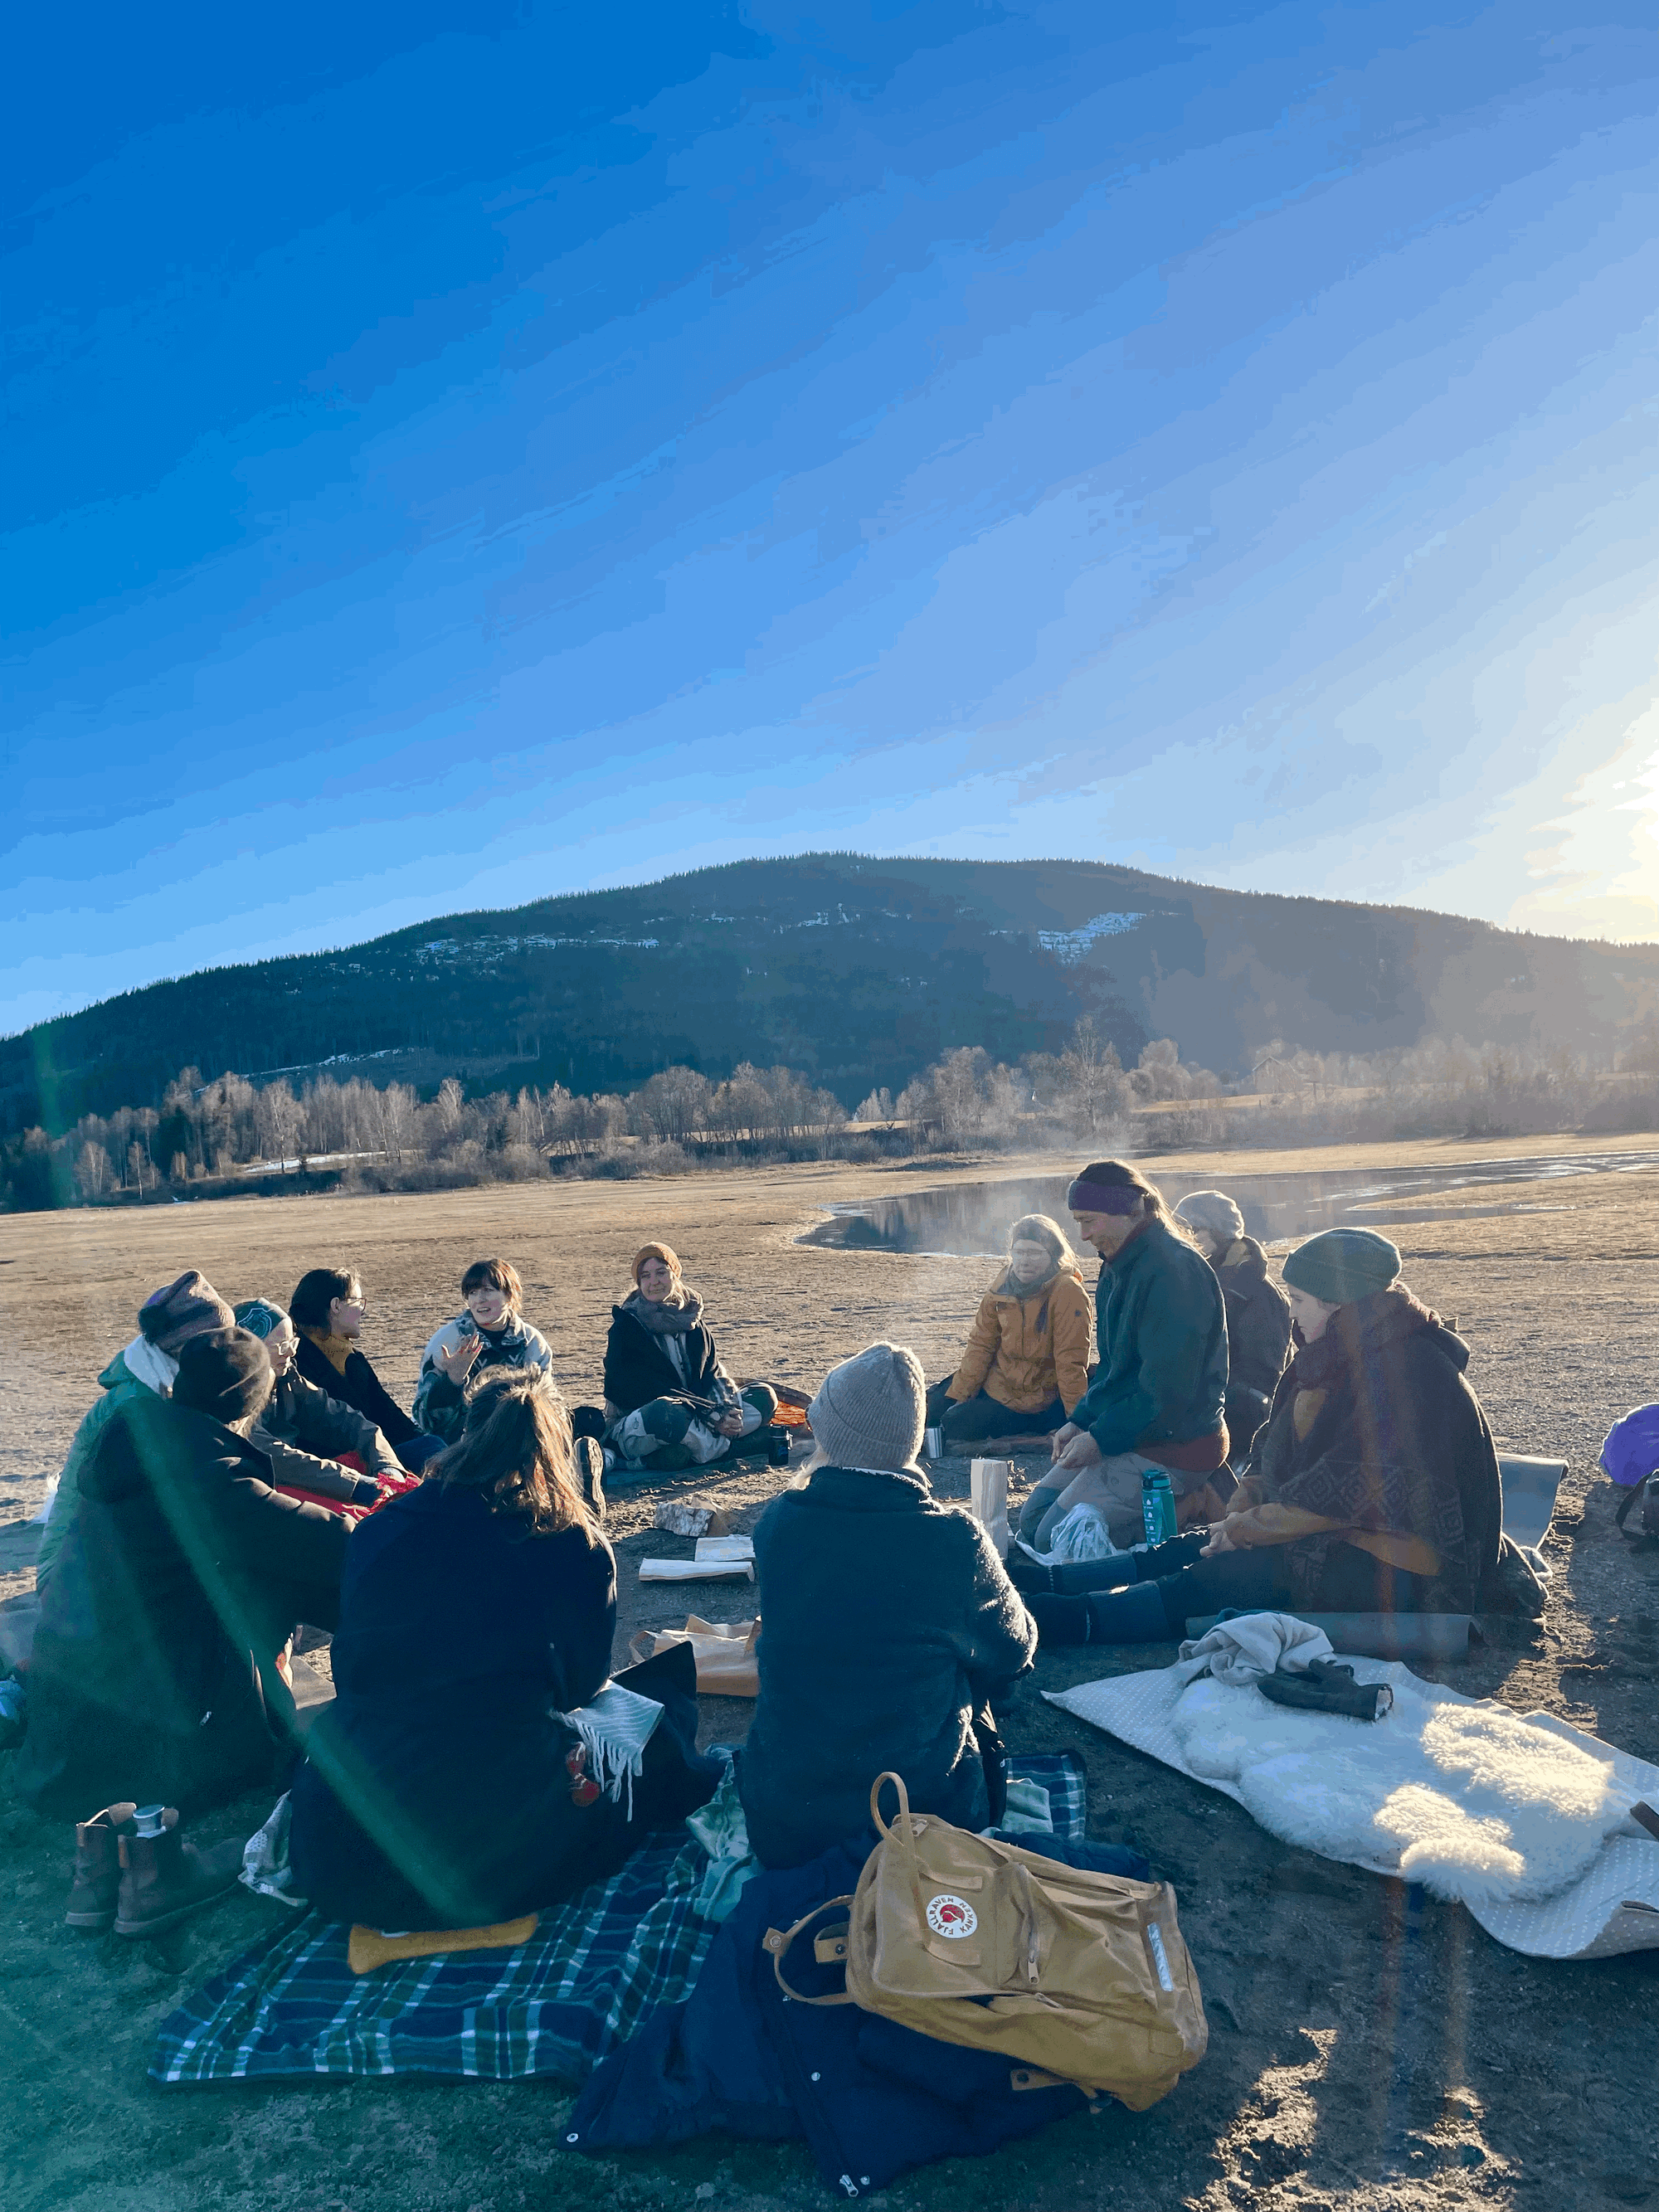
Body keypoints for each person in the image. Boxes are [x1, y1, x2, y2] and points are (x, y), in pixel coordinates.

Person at [288, 1371, 718, 1931]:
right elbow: (582, 1690)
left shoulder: (379, 1530)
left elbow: (355, 1665)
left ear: (465, 1434)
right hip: (490, 1856)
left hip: (341, 1853)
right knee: (663, 1714)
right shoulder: (570, 1544)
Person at [1020, 1228, 1505, 1644]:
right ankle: (1054, 1582)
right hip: (1342, 1529)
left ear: (1339, 1304)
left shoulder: (1407, 1374)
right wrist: (1236, 1517)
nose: (1291, 1315)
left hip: (1408, 1566)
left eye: (1298, 1300)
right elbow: (1273, 1454)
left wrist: (1243, 1530)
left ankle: (1066, 1621)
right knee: (1193, 1545)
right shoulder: (1335, 1353)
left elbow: (1344, 1495)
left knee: (1234, 1575)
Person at [13, 1330, 351, 1822]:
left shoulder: (135, 1438)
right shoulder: (209, 1473)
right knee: (302, 1575)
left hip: (67, 1730)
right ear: (249, 1405)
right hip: (142, 1754)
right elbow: (329, 1543)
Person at [738, 1343, 1037, 1869]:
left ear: (828, 1435)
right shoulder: (952, 1541)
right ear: (911, 1442)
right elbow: (1014, 1649)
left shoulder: (780, 1525)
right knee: (972, 1671)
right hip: (924, 1826)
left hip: (786, 1821)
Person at [1014, 1162, 1228, 1556]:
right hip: (1132, 1432)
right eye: (1078, 1222)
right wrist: (1080, 1420)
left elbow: (1166, 1392)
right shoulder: (1118, 1264)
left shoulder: (1174, 1272)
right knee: (1032, 1522)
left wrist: (1100, 1439)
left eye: (1089, 1221)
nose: (1082, 1235)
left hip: (1177, 1442)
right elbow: (1115, 1370)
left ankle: (1187, 1508)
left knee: (1058, 1538)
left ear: (1129, 1209)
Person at [35, 1270, 235, 1591]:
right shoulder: (140, 1403)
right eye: (220, 1341)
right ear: (184, 1346)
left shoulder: (164, 1379)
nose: (228, 1349)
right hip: (71, 1577)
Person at [601, 1243, 777, 1472]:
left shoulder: (693, 1320)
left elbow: (713, 1374)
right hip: (648, 1419)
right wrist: (711, 1416)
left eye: (661, 1273)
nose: (654, 1282)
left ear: (675, 1275)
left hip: (701, 1416)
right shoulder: (626, 1328)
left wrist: (726, 1410)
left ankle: (700, 1448)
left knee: (764, 1396)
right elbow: (637, 1391)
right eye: (646, 1276)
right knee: (668, 1415)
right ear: (639, 1283)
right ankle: (727, 1447)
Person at [924, 1214, 1093, 1446]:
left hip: (1042, 1398)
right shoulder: (1001, 1288)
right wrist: (959, 1398)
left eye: (1034, 1253)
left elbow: (1070, 1360)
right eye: (1019, 1252)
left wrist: (1076, 1421)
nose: (1025, 1260)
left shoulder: (1067, 1292)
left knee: (955, 1425)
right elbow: (981, 1346)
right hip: (1000, 1386)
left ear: (1053, 1255)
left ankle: (1037, 1431)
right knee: (930, 1410)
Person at [234, 1298, 404, 1498]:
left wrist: (387, 1465)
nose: (291, 1352)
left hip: (303, 1480)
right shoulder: (232, 1399)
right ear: (248, 1353)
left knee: (424, 1447)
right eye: (281, 1346)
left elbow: (343, 1419)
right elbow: (273, 1456)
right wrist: (355, 1484)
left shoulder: (288, 1379)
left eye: (292, 1342)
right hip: (263, 1494)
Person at [1173, 1191, 1292, 1461]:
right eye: (1181, 1230)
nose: (1186, 1238)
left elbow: (1262, 1374)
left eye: (1194, 1230)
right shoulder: (1199, 1278)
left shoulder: (1258, 1293)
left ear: (1218, 1231)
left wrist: (1203, 1389)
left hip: (1243, 1410)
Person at [290, 1267, 443, 1467]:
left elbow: (391, 1417)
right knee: (431, 1449)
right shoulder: (296, 1361)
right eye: (357, 1302)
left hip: (375, 1454)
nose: (362, 1310)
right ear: (336, 1305)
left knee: (434, 1447)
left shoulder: (351, 1358)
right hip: (334, 1467)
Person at [411, 1257, 555, 1448]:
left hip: (517, 1440)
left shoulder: (531, 1343)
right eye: (472, 1292)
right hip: (461, 1445)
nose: (480, 1299)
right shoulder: (447, 1341)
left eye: (488, 1290)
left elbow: (548, 1406)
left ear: (510, 1295)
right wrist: (452, 1381)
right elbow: (426, 1422)